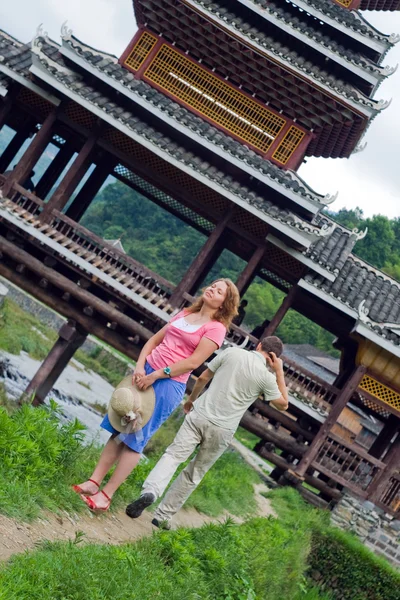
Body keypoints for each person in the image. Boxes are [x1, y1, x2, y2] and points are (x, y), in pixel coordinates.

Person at [73, 278, 240, 511]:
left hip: (167, 384)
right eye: (213, 285)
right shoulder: (185, 313)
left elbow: (193, 362)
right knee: (120, 426)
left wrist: (157, 375)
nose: (212, 289)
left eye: (219, 290)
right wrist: (140, 366)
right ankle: (93, 482)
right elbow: (154, 340)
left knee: (136, 439)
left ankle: (106, 495)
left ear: (225, 303)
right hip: (146, 372)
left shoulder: (216, 328)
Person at [126, 336, 289, 528]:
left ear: (259, 345)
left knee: (173, 456)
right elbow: (283, 405)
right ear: (273, 357)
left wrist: (192, 399)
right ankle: (162, 516)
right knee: (194, 473)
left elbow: (203, 377)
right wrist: (279, 372)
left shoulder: (232, 352)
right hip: (223, 429)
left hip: (200, 414)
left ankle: (151, 491)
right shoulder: (267, 377)